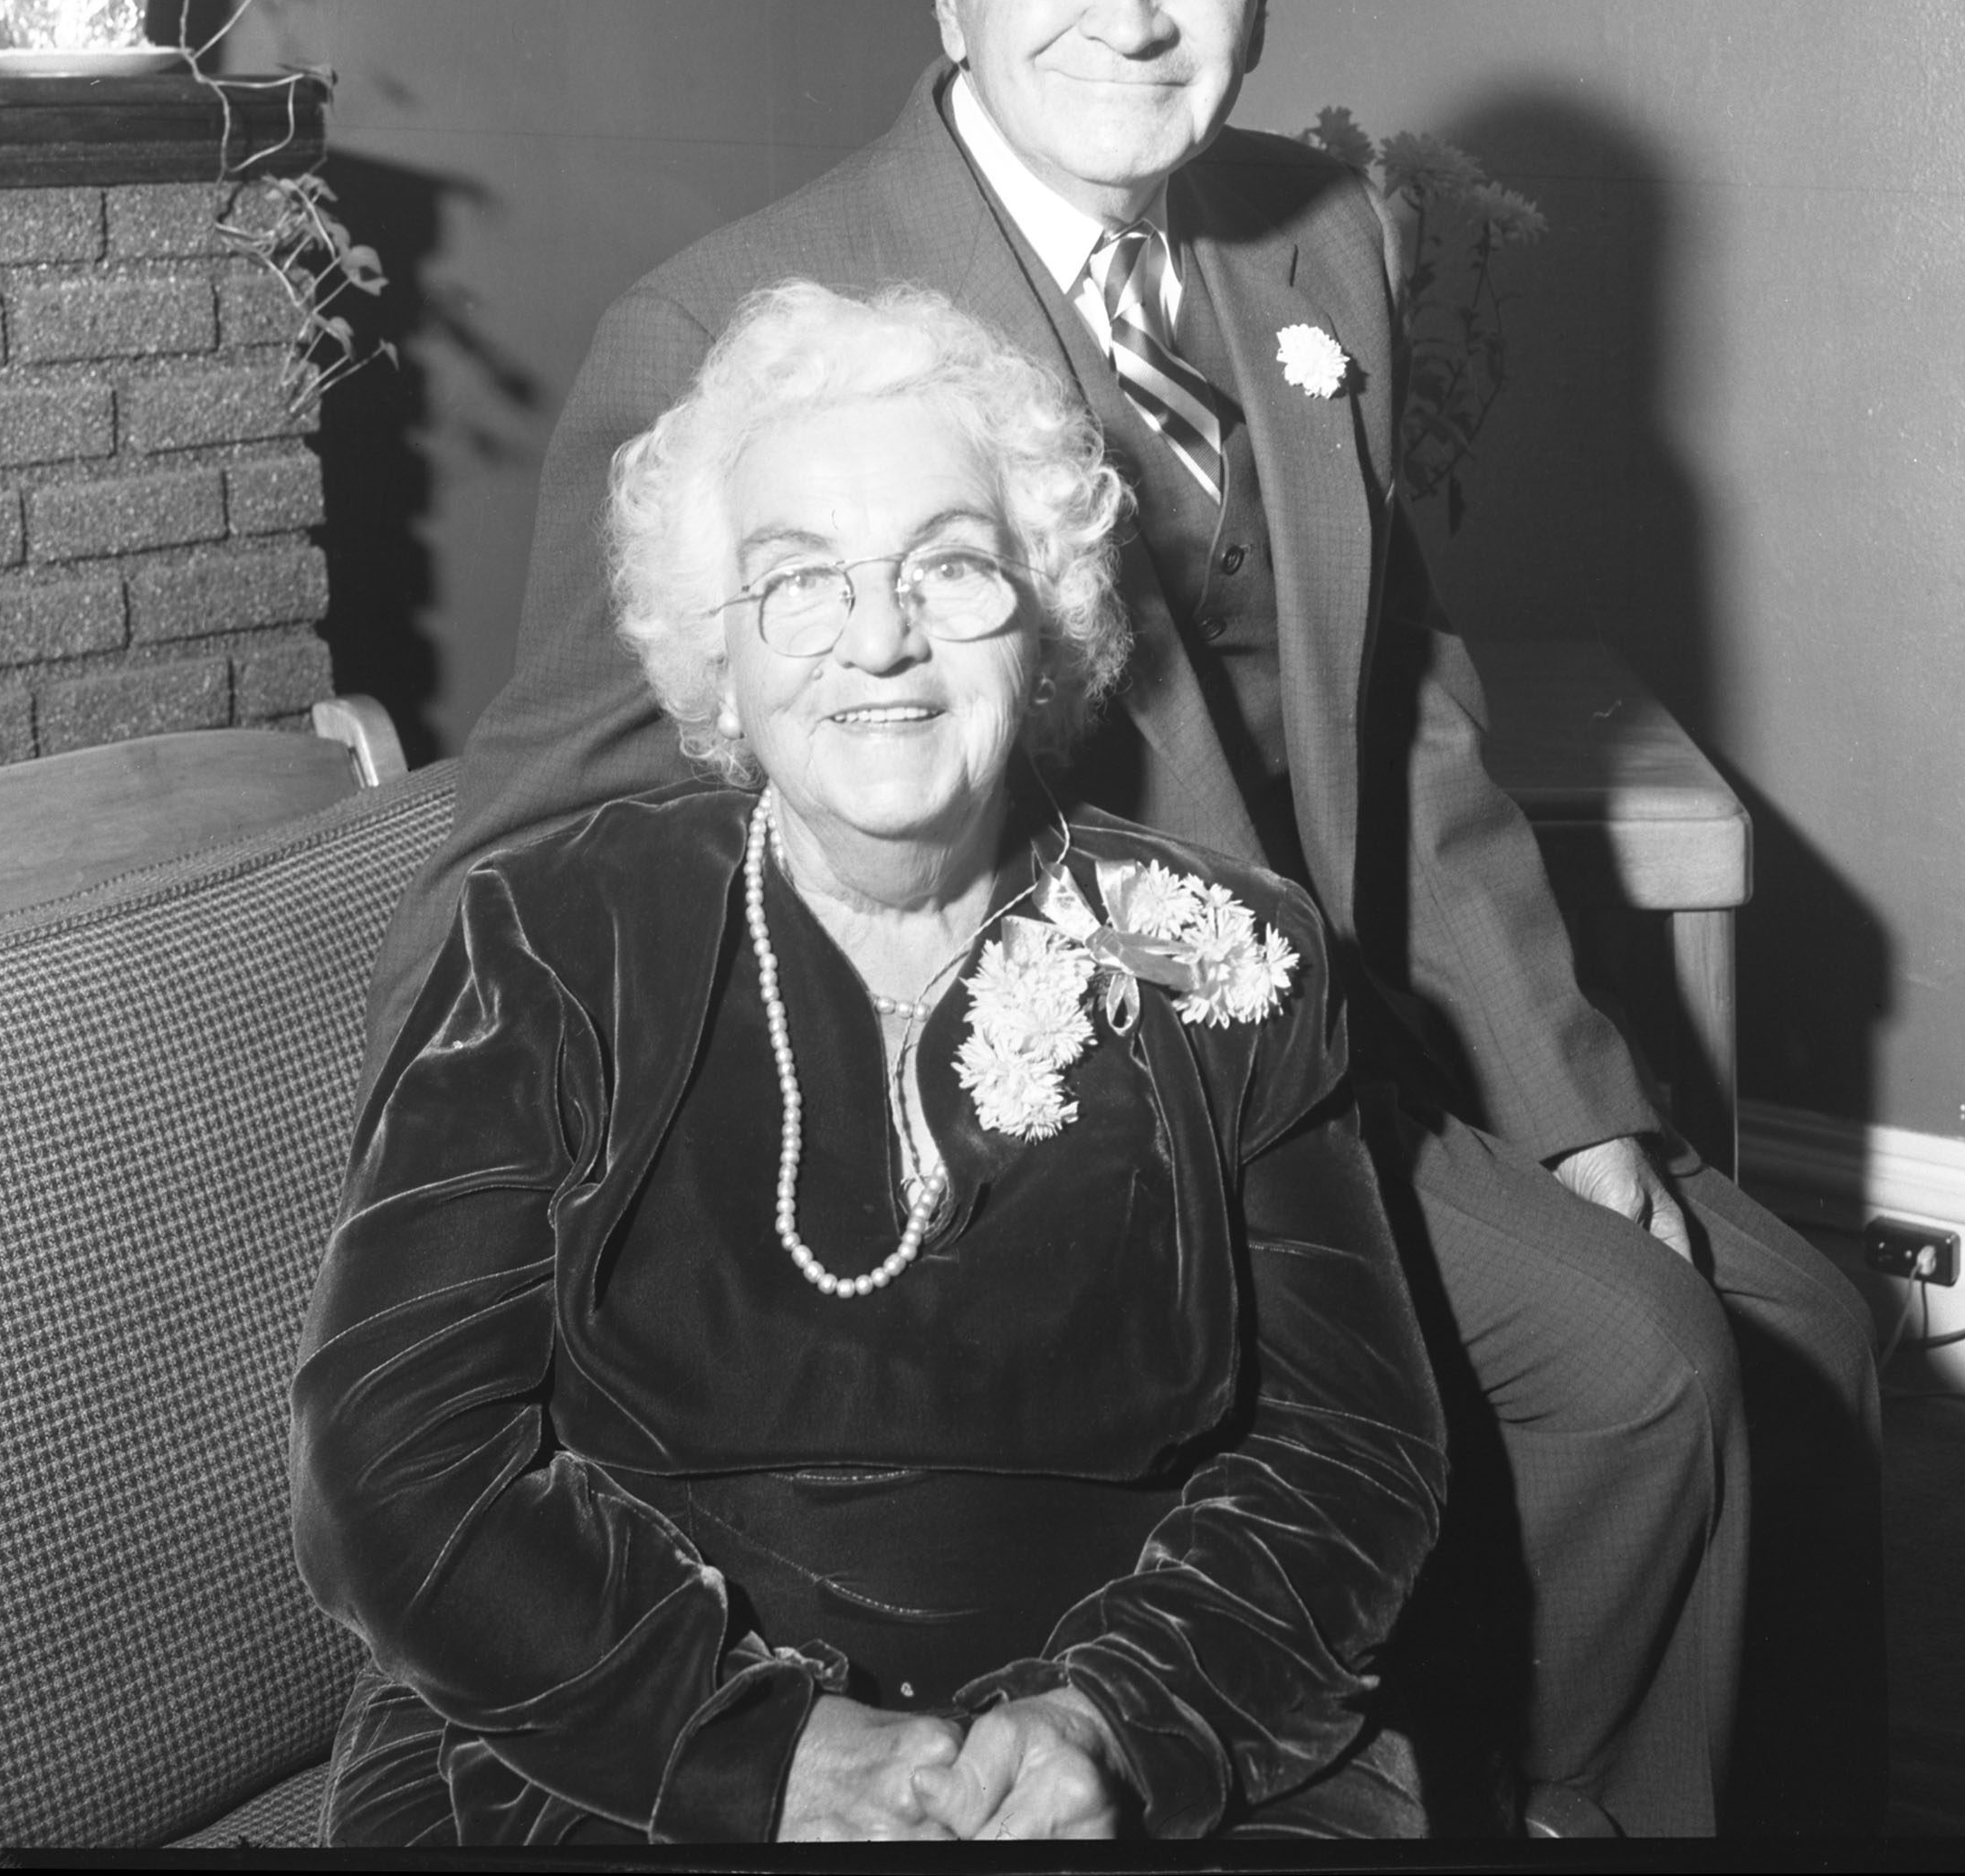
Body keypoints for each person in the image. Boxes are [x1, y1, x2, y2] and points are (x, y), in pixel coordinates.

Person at [358, 0, 1884, 1838]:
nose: (1132, 4)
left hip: (1366, 1009)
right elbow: (539, 854)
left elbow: (1402, 695)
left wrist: (1574, 1093)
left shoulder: (1312, 245)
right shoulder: (733, 331)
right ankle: (1541, 1800)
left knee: (1809, 1332)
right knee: (1647, 1370)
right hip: (1102, 1100)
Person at [294, 281, 1445, 1847]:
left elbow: (1354, 1450)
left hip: (1115, 1723)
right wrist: (755, 1752)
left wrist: (1108, 1723)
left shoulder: (1213, 951)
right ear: (717, 653)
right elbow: (391, 1456)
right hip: (612, 1727)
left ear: (1044, 616)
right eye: (798, 581)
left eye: (950, 566)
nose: (880, 639)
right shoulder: (555, 936)